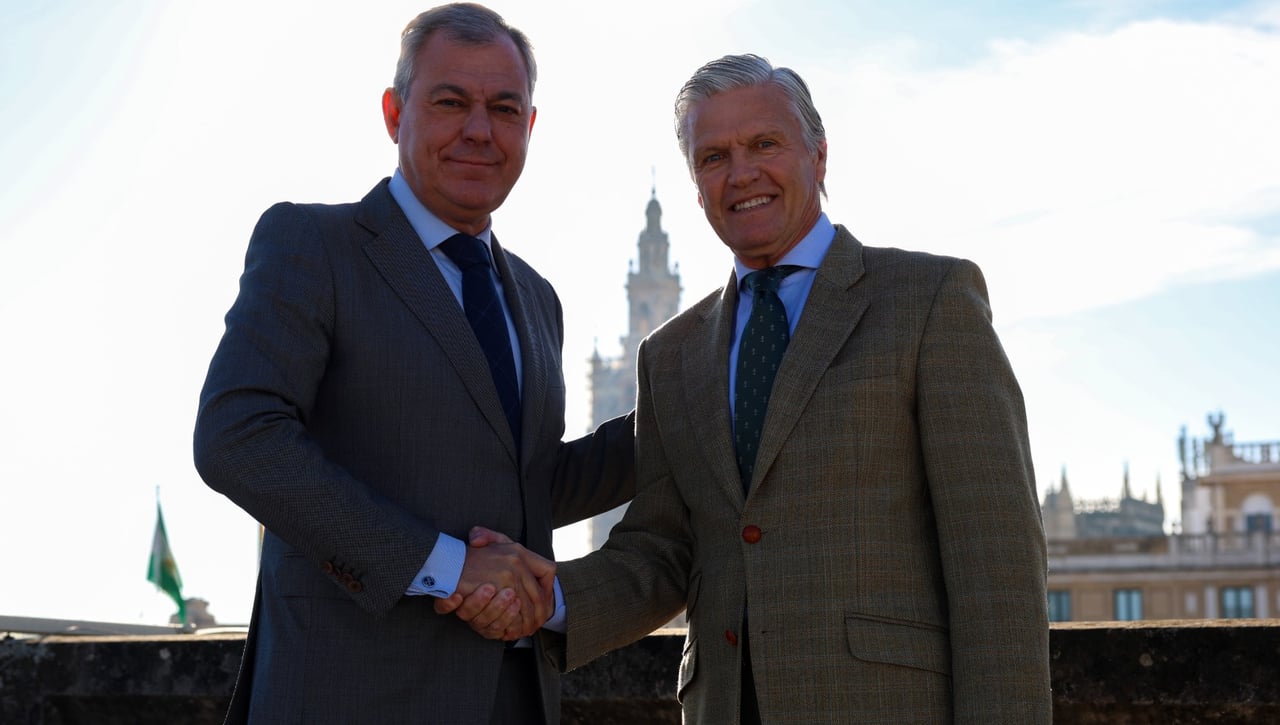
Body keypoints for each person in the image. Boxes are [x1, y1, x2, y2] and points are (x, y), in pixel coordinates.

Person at [444, 53, 1051, 722]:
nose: (742, 172)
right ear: (697, 185)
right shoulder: (669, 355)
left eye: (764, 143)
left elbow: (997, 571)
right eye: (713, 157)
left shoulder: (929, 301)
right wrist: (543, 596)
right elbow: (662, 550)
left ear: (819, 156)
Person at [192, 4, 634, 724]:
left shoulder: (536, 297)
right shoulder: (313, 243)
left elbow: (529, 485)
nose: (478, 129)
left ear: (529, 126)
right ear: (395, 112)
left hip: (513, 698)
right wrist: (448, 565)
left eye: (503, 108)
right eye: (450, 101)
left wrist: (697, 398)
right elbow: (237, 437)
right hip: (349, 696)